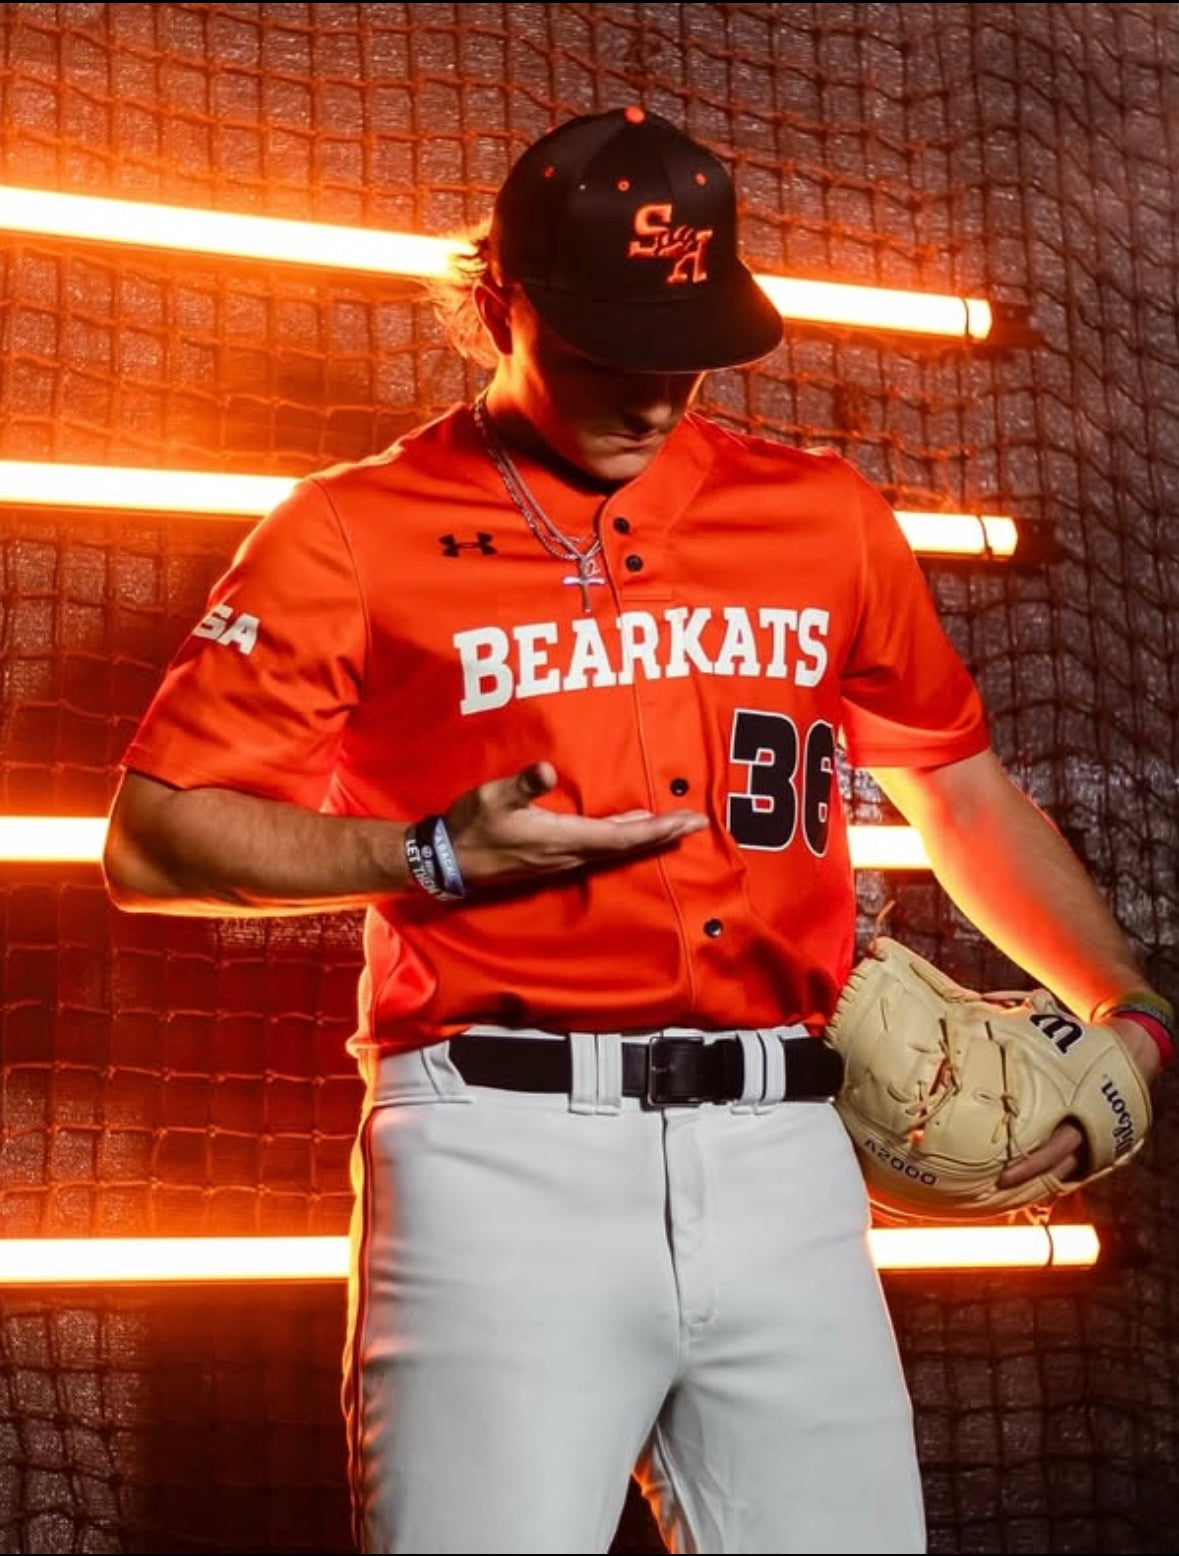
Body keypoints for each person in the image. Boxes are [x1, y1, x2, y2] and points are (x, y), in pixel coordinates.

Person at [102, 107, 1172, 1555]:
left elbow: (958, 785)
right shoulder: (351, 530)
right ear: (500, 305)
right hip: (500, 1152)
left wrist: (1127, 1012)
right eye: (610, 349)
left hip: (788, 1147)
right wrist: (421, 855)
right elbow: (154, 840)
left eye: (688, 351)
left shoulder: (822, 515)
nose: (657, 394)